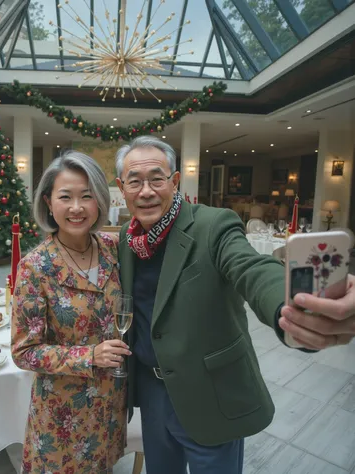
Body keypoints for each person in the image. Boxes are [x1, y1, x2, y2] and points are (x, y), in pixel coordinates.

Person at [114, 136, 355, 474]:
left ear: (175, 181)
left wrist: (294, 308)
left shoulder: (214, 225)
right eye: (135, 181)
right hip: (153, 392)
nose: (147, 190)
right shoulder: (126, 239)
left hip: (209, 394)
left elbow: (251, 267)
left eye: (157, 178)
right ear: (121, 188)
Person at [11, 151, 130, 474]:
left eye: (86, 197)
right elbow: (24, 353)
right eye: (66, 197)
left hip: (109, 407)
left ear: (99, 202)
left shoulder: (113, 249)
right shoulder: (36, 267)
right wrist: (89, 355)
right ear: (49, 203)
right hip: (62, 416)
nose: (76, 208)